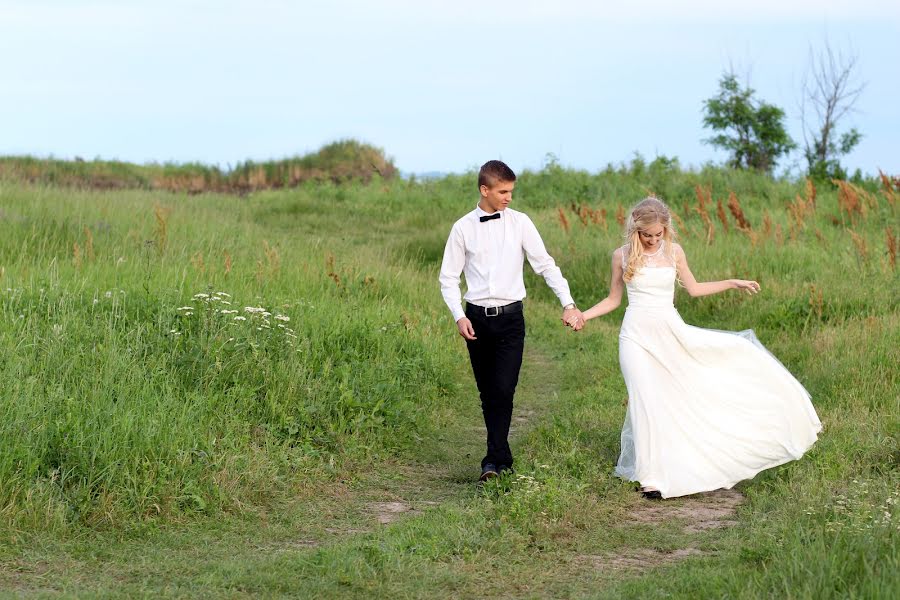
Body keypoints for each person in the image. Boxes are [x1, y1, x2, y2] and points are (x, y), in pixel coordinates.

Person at [569, 197, 821, 499]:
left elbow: (695, 288)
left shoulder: (674, 252)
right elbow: (612, 299)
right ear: (635, 230)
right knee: (642, 398)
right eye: (646, 235)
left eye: (657, 235)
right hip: (634, 336)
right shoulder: (621, 256)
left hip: (670, 332)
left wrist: (731, 282)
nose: (651, 240)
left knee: (674, 395)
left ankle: (676, 463)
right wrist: (583, 315)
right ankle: (650, 477)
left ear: (666, 230)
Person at [439, 160, 584, 482]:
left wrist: (568, 303)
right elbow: (448, 278)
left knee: (503, 389)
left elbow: (545, 265)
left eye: (511, 191)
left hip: (510, 319)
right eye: (503, 191)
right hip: (475, 319)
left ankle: (494, 459)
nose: (508, 198)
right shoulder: (462, 228)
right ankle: (498, 459)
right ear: (484, 190)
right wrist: (458, 316)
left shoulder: (521, 223)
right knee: (488, 392)